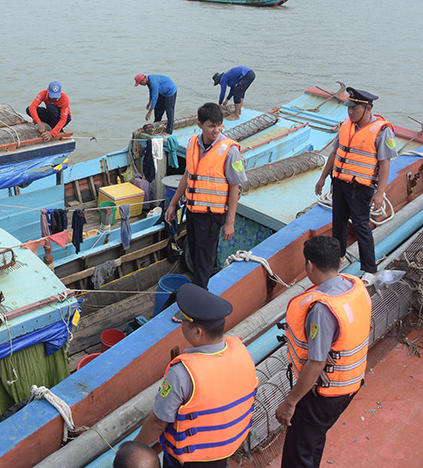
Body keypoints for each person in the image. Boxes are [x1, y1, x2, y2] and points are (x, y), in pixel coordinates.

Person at [135, 284, 257, 467]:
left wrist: (133, 449)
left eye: (184, 320)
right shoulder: (242, 352)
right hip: (223, 453)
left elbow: (158, 423)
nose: (181, 322)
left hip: (189, 461)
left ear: (197, 332)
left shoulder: (182, 372)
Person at [275, 236, 372, 468]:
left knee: (298, 453)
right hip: (350, 384)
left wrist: (290, 402)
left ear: (310, 265)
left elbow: (316, 363)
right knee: (314, 441)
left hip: (323, 396)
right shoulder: (354, 287)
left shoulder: (322, 309)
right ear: (339, 261)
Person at [314, 87, 397, 284]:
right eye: (349, 108)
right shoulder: (346, 125)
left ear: (367, 109)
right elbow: (335, 153)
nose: (350, 112)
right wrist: (323, 177)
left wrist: (380, 193)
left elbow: (385, 164)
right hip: (340, 182)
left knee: (361, 225)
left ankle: (370, 268)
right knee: (338, 222)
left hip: (360, 188)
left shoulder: (382, 131)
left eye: (355, 109)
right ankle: (338, 257)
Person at [164, 103, 246, 288]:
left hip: (212, 216)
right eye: (211, 126)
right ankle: (198, 288)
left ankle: (197, 301)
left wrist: (230, 222)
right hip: (193, 211)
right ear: (200, 124)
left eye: (219, 125)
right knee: (193, 252)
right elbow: (188, 175)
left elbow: (235, 187)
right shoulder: (193, 143)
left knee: (204, 259)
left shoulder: (230, 151)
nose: (216, 130)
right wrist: (173, 204)